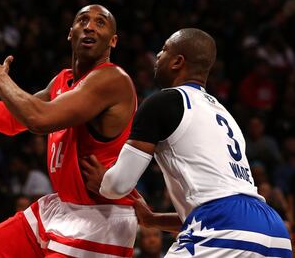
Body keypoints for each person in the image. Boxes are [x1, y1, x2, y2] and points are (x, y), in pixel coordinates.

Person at [0, 4, 137, 257]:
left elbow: (39, 119)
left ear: (113, 41)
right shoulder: (62, 80)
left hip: (99, 219)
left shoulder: (113, 80)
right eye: (82, 20)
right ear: (71, 33)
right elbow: (11, 120)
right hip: (60, 206)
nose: (89, 26)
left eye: (100, 22)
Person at [81, 28, 292, 257]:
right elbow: (219, 204)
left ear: (177, 62)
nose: (158, 56)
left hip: (225, 227)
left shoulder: (162, 102)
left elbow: (118, 185)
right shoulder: (224, 114)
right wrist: (152, 220)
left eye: (163, 50)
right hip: (274, 231)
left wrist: (104, 181)